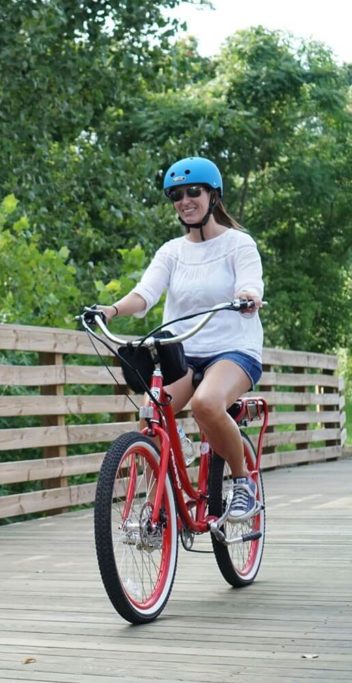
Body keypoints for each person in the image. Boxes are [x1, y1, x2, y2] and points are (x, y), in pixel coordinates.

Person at [94, 156, 264, 520]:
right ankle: (160, 513)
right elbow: (144, 294)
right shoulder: (172, 251)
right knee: (151, 414)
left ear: (213, 195)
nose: (184, 200)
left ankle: (242, 483)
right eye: (176, 195)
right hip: (184, 351)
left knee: (205, 404)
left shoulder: (239, 244)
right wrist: (110, 310)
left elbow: (250, 283)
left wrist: (249, 298)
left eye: (193, 192)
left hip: (232, 350)